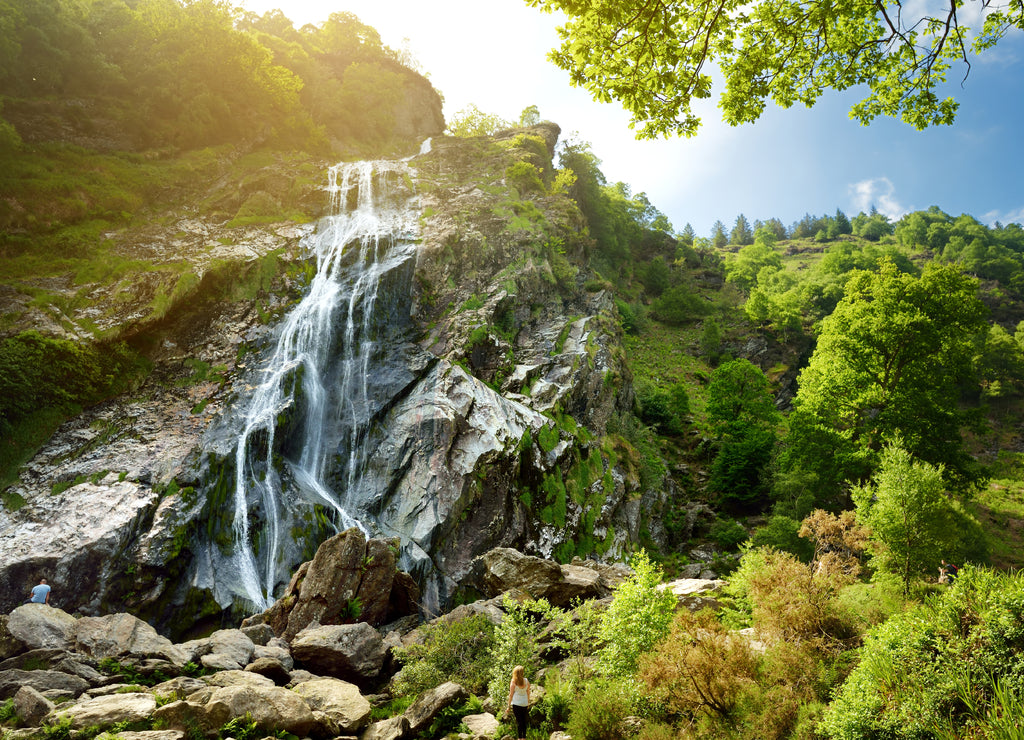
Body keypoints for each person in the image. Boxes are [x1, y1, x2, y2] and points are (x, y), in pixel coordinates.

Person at [506, 665, 530, 740]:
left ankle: (520, 738)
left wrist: (508, 706)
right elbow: (528, 692)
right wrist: (528, 702)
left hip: (516, 704)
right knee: (524, 721)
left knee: (519, 722)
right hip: (524, 703)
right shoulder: (526, 681)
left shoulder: (513, 682)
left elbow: (511, 695)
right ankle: (524, 738)